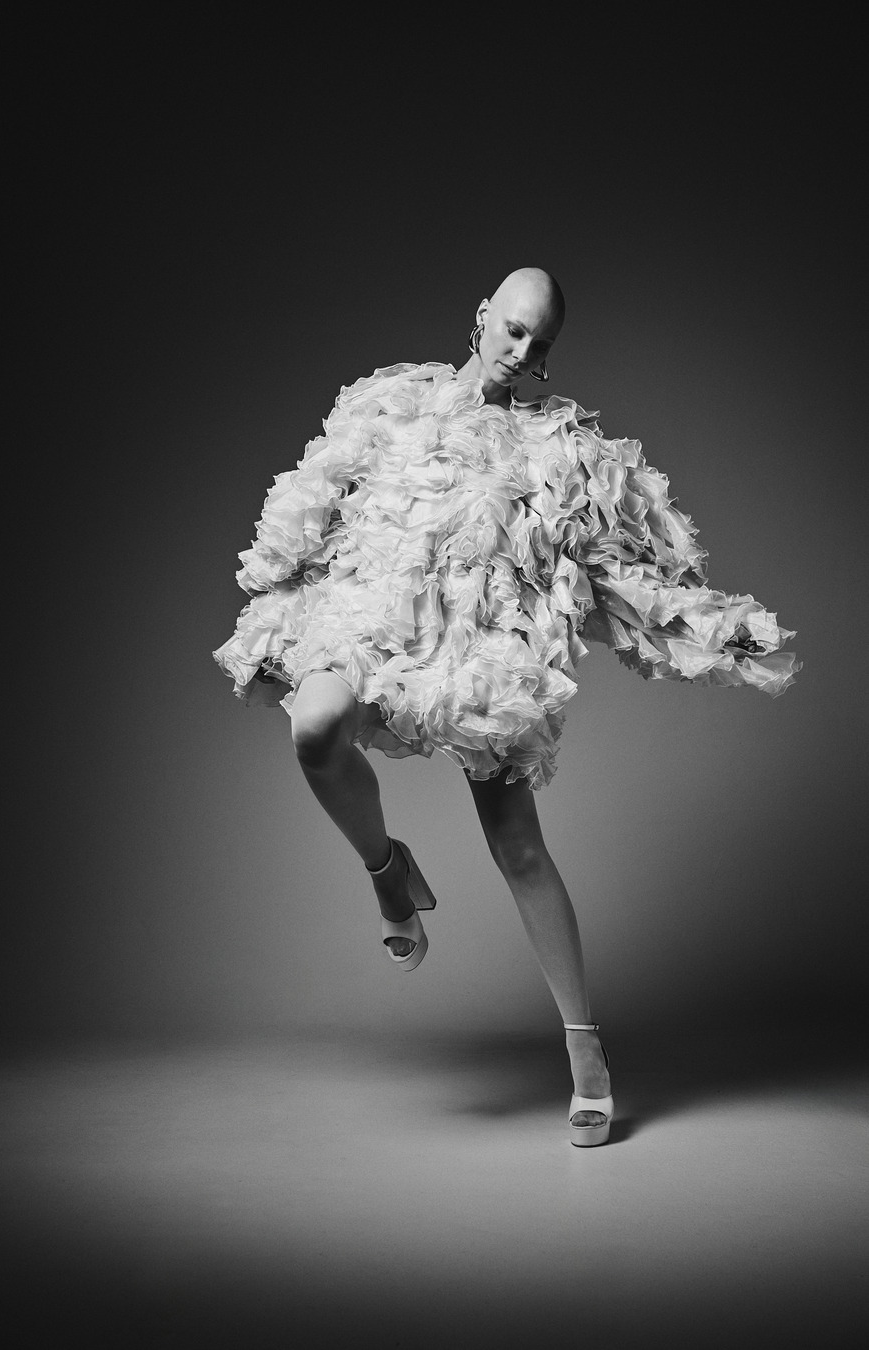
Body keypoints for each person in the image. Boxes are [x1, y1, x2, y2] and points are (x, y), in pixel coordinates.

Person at [213, 267, 799, 1146]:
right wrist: (274, 589)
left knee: (519, 848)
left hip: (484, 654)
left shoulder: (560, 450)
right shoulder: (390, 405)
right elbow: (315, 497)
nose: (521, 350)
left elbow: (620, 575)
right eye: (513, 328)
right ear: (483, 316)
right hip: (370, 621)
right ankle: (387, 871)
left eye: (539, 341)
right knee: (315, 726)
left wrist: (718, 630)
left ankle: (587, 1052)